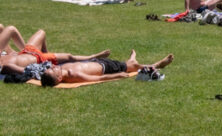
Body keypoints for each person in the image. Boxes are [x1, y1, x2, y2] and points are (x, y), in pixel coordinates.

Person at [0, 27, 112, 76]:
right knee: (69, 57)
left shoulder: (4, 57)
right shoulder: (5, 66)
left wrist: (14, 52)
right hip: (39, 58)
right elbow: (19, 70)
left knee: (41, 32)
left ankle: (45, 52)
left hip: (27, 52)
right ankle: (93, 56)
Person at [41, 50, 174, 87]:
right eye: (52, 70)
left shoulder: (63, 69)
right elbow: (97, 78)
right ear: (59, 79)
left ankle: (132, 60)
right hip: (106, 68)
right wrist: (117, 76)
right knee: (132, 67)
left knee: (128, 65)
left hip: (96, 61)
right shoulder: (72, 76)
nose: (53, 68)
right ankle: (156, 65)